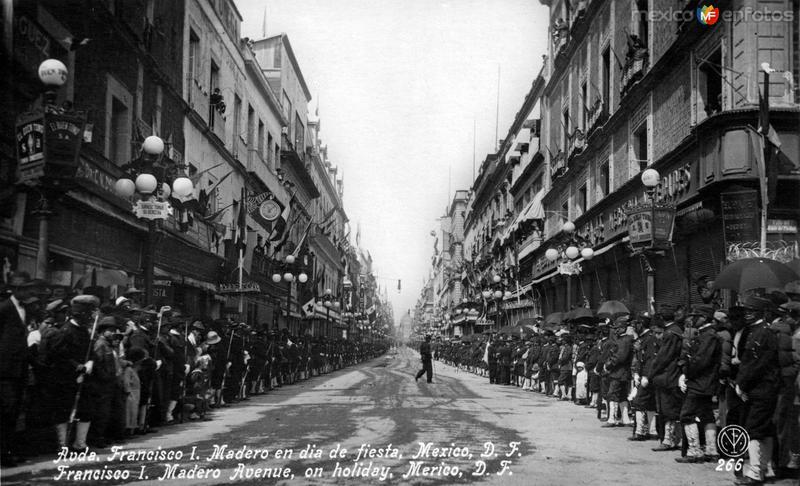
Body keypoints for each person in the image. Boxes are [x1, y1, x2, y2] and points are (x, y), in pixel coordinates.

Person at [735, 296, 781, 485]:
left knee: (754, 430)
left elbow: (755, 365)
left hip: (761, 388)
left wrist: (741, 384)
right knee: (765, 429)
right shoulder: (757, 331)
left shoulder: (762, 333)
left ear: (761, 313)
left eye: (751, 311)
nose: (747, 314)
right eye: (746, 311)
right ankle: (766, 468)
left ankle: (755, 473)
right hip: (762, 388)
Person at [0, 272, 39, 466]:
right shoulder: (4, 309)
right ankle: (4, 453)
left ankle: (10, 450)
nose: (29, 292)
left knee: (14, 412)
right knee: (6, 411)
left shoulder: (25, 310)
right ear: (16, 290)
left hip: (19, 370)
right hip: (5, 371)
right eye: (26, 289)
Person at [675, 305, 721, 463]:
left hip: (699, 382)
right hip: (706, 383)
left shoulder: (708, 336)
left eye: (696, 316)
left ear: (704, 318)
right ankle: (711, 450)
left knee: (687, 415)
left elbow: (700, 361)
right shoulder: (707, 335)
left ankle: (695, 451)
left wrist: (687, 374)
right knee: (707, 415)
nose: (692, 319)